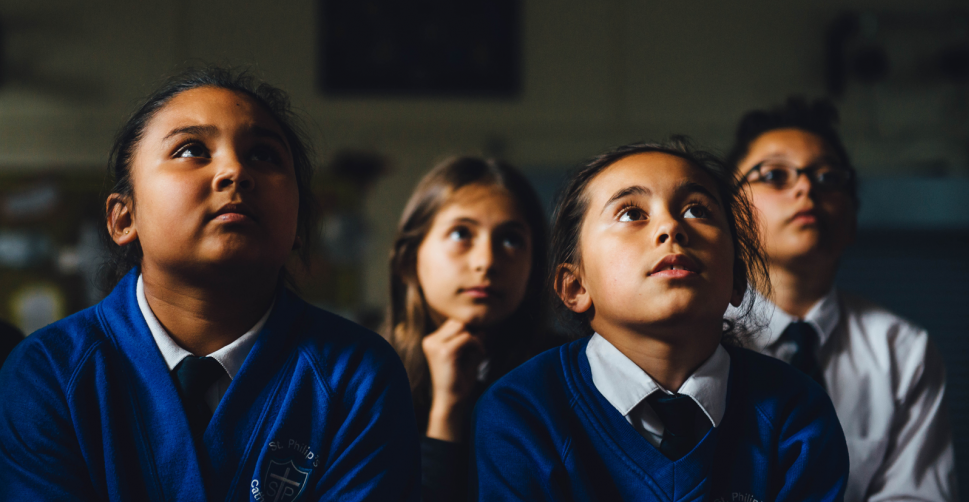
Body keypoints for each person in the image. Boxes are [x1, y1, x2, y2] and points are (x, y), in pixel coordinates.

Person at [0, 67, 420, 500]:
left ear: (298, 226)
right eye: (191, 150)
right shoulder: (48, 372)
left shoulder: (358, 374)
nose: (235, 171)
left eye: (264, 156)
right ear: (124, 218)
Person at [473, 140, 850, 501]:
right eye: (632, 213)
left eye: (698, 210)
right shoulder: (523, 411)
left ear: (737, 281)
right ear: (575, 286)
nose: (672, 227)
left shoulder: (795, 412)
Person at [728, 97, 958, 502]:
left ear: (852, 220)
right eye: (774, 175)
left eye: (829, 178)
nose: (805, 187)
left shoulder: (904, 352)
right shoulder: (696, 337)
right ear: (730, 213)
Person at [384, 156, 556, 502]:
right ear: (408, 261)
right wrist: (448, 409)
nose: (487, 261)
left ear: (534, 266)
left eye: (511, 240)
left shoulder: (568, 375)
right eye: (461, 234)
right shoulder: (364, 376)